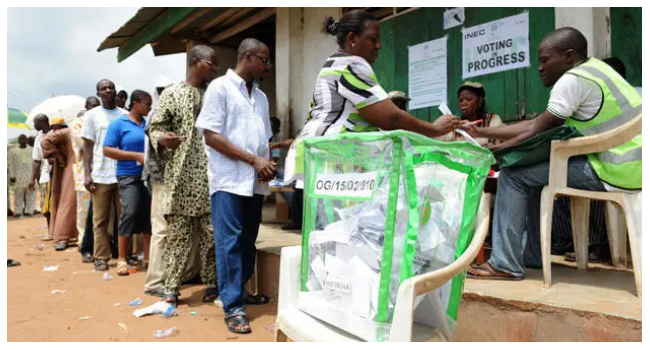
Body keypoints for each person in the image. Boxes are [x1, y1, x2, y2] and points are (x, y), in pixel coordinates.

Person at [465, 27, 641, 280]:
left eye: (545, 60)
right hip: (633, 166)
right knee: (531, 176)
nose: (539, 67)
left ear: (568, 56)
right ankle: (533, 256)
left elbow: (535, 128)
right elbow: (536, 125)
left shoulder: (572, 81)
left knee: (513, 174)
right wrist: (483, 134)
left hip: (615, 168)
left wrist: (499, 148)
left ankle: (504, 263)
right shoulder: (598, 70)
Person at [283, 10, 461, 188]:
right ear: (352, 39)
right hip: (331, 164)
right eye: (372, 39)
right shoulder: (351, 64)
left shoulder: (332, 64)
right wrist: (434, 129)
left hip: (313, 162)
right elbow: (391, 118)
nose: (379, 46)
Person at [197, 38, 274, 335]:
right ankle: (232, 306)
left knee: (247, 241)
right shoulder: (220, 88)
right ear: (250, 57)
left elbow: (263, 139)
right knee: (229, 243)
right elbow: (212, 137)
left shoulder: (262, 97)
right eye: (264, 60)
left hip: (254, 181)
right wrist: (254, 160)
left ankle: (240, 293)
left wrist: (268, 164)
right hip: (228, 180)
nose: (267, 66)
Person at [149, 44, 219, 306]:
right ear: (195, 62)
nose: (215, 69)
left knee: (211, 236)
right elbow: (155, 128)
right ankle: (171, 288)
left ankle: (212, 284)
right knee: (178, 237)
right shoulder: (173, 93)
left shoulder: (217, 93)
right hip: (181, 178)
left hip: (213, 176)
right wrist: (162, 139)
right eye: (211, 63)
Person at [143, 86, 201, 297]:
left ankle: (185, 273)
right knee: (162, 228)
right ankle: (155, 282)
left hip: (181, 180)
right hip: (163, 179)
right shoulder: (157, 117)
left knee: (189, 227)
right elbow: (153, 153)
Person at [103, 90, 153, 276]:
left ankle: (148, 258)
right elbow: (107, 150)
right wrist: (136, 156)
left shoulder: (148, 124)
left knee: (148, 216)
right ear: (136, 103)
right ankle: (122, 259)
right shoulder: (119, 124)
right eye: (147, 104)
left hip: (149, 177)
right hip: (128, 176)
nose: (149, 108)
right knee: (130, 212)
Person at [82, 79, 128, 271]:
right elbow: (88, 146)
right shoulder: (92, 116)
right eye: (103, 89)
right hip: (100, 174)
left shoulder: (125, 115)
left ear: (115, 91)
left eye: (110, 87)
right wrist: (87, 174)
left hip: (123, 173)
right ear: (98, 93)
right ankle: (101, 256)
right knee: (100, 219)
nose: (108, 90)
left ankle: (125, 256)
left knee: (124, 218)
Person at [40, 118, 79, 251]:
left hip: (83, 171)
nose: (54, 131)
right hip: (72, 171)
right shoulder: (67, 132)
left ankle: (79, 236)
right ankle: (63, 236)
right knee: (67, 203)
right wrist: (57, 155)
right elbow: (45, 141)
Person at [72, 96, 101, 263]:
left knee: (100, 211)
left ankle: (99, 244)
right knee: (84, 210)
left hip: (101, 172)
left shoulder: (100, 119)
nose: (94, 108)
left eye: (96, 105)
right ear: (86, 106)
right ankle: (83, 242)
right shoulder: (78, 124)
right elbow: (85, 146)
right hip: (83, 172)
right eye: (91, 105)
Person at [439, 82, 504, 147]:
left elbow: (497, 146)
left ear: (480, 101)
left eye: (468, 99)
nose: (463, 104)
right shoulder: (456, 126)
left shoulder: (492, 120)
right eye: (461, 101)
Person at [29, 114, 53, 238]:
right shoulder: (39, 137)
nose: (34, 125)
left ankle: (57, 232)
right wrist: (33, 179)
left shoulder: (55, 134)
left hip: (57, 175)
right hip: (44, 175)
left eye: (35, 123)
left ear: (43, 122)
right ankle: (51, 232)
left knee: (55, 205)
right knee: (46, 207)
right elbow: (36, 160)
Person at [9, 134, 37, 218]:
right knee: (18, 194)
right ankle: (18, 212)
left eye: (24, 139)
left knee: (31, 194)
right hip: (18, 176)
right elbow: (11, 164)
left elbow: (36, 163)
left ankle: (29, 211)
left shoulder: (32, 150)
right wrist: (12, 175)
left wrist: (36, 176)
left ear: (26, 140)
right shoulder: (13, 151)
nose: (22, 141)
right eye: (21, 139)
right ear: (18, 140)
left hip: (30, 176)